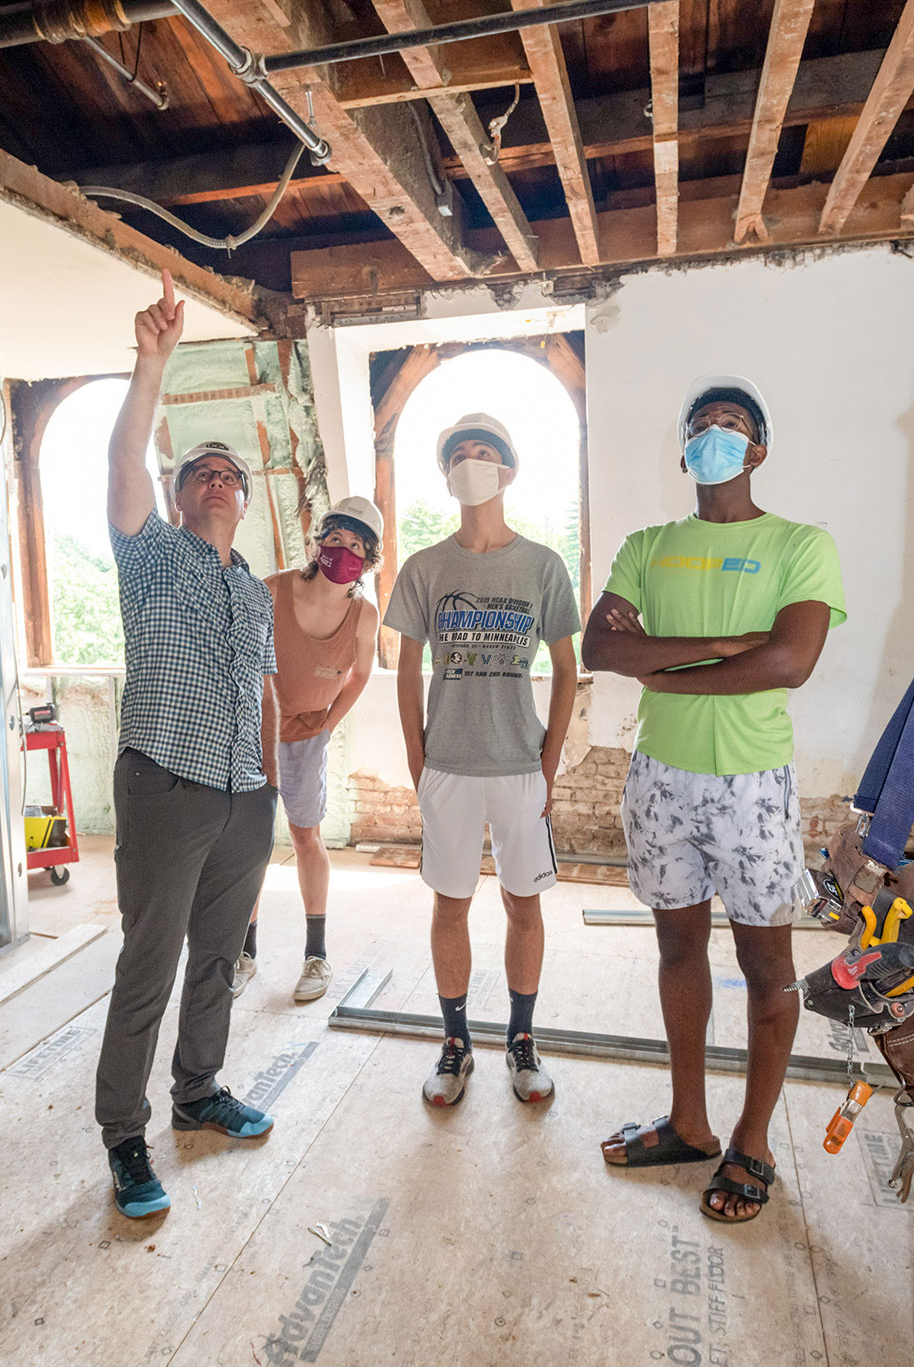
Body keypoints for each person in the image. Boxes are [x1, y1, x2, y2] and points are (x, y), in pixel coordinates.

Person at [582, 375, 844, 1225]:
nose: (714, 435)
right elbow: (598, 648)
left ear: (758, 449)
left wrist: (663, 663)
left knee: (767, 965)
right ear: (686, 448)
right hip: (659, 774)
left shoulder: (800, 543)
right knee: (675, 951)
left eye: (732, 425)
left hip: (751, 782)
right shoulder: (648, 545)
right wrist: (727, 645)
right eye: (701, 426)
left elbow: (789, 661)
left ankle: (753, 1140)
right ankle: (688, 1124)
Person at [96, 269, 281, 1219]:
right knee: (149, 961)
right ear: (174, 499)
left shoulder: (252, 588)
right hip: (165, 786)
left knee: (217, 958)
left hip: (243, 796)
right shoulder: (150, 555)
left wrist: (270, 792)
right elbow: (126, 457)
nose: (218, 479)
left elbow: (260, 690)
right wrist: (150, 365)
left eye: (231, 475)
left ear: (243, 503)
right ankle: (124, 1138)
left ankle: (199, 1091)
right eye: (199, 472)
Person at [387, 413, 580, 1108]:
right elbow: (406, 670)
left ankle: (522, 1042)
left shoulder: (541, 566)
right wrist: (418, 757)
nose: (471, 461)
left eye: (484, 452)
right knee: (450, 905)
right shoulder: (425, 567)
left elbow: (565, 666)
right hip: (448, 766)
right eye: (459, 453)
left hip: (517, 763)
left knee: (522, 904)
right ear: (446, 476)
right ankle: (455, 1043)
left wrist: (547, 758)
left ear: (508, 470)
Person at [234, 496, 383, 1004]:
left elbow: (361, 674)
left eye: (356, 544)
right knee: (251, 840)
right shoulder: (273, 589)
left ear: (368, 559)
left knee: (305, 837)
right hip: (253, 729)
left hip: (306, 737)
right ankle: (244, 953)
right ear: (318, 543)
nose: (343, 550)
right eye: (335, 538)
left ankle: (315, 955)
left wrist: (327, 726)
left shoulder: (364, 614)